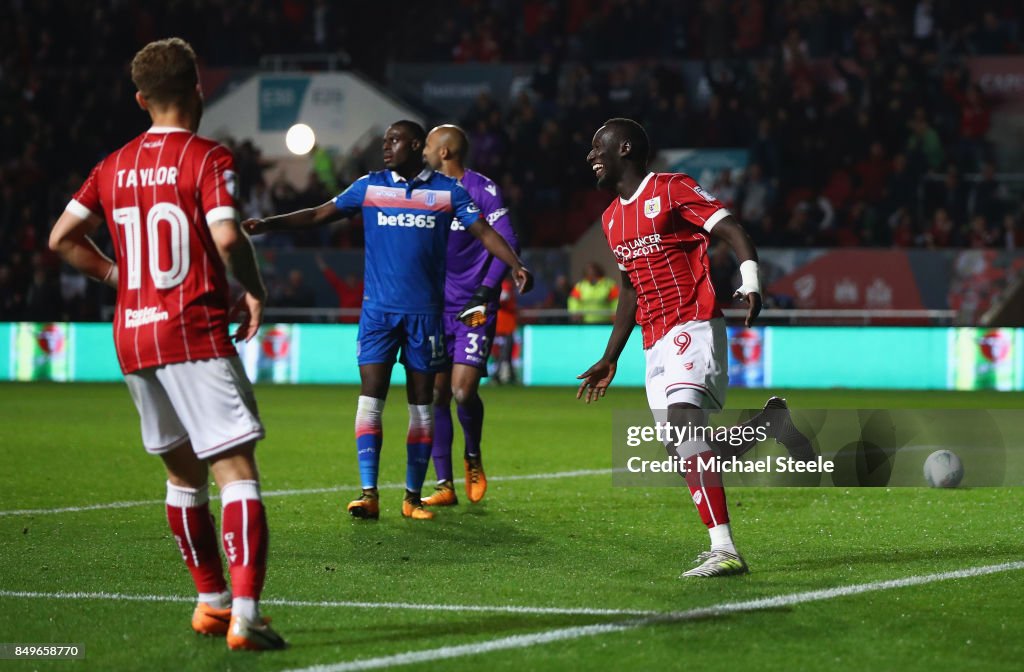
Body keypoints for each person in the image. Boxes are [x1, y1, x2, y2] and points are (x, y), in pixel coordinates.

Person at [47, 38, 284, 649]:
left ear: (140, 99)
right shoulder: (207, 157)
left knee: (182, 475)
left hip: (133, 334)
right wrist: (253, 290)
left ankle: (210, 602)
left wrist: (116, 276)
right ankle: (247, 617)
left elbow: (61, 238)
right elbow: (228, 238)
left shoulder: (112, 164)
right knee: (236, 472)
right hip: (193, 330)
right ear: (197, 89)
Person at [244, 120, 531, 521]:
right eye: (384, 141)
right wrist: (268, 225)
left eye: (395, 141)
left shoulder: (449, 191)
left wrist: (514, 265)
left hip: (427, 316)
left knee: (425, 405)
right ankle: (369, 493)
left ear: (417, 146)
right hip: (378, 314)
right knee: (371, 397)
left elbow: (484, 231)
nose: (386, 147)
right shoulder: (369, 186)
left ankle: (413, 496)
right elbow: (319, 214)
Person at [576, 118, 811, 578]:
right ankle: (769, 424)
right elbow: (629, 290)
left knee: (687, 434)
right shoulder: (610, 219)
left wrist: (750, 282)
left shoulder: (670, 188)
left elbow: (731, 230)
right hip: (654, 341)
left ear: (624, 148)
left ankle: (724, 548)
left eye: (596, 146)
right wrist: (611, 355)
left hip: (693, 323)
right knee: (683, 451)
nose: (590, 156)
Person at [417, 124, 519, 506]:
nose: (423, 151)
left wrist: (484, 292)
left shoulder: (482, 189)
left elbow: (506, 241)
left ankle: (472, 454)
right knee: (437, 394)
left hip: (474, 306)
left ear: (444, 152)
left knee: (463, 391)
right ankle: (444, 484)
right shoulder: (424, 191)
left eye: (427, 144)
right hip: (433, 308)